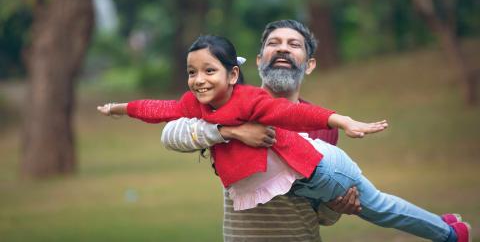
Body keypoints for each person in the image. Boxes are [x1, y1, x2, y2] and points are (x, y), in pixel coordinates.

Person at [98, 33, 470, 241]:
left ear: (232, 74)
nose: (198, 80)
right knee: (384, 208)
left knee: (382, 210)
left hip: (324, 170)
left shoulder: (252, 99)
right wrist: (118, 108)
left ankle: (451, 234)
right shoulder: (201, 110)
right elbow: (161, 114)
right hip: (294, 188)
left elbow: (294, 114)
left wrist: (342, 121)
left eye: (209, 70)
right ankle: (446, 224)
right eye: (191, 72)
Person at [160, 19, 359, 242]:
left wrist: (335, 207)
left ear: (310, 64)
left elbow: (322, 215)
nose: (283, 48)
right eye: (274, 43)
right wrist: (233, 131)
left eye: (294, 45)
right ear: (258, 60)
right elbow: (170, 134)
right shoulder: (230, 107)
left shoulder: (323, 126)